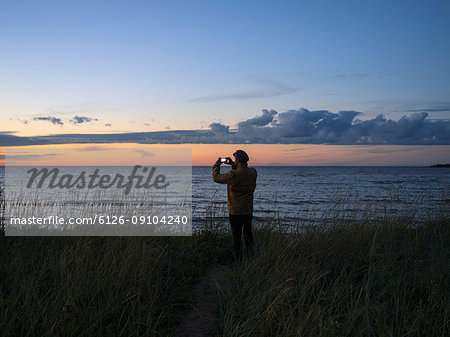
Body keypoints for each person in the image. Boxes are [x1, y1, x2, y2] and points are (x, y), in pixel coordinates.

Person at [213, 150, 257, 261]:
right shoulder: (253, 172)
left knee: (237, 237)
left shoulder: (232, 174)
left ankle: (238, 260)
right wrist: (233, 164)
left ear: (237, 160)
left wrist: (217, 165)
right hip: (248, 210)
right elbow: (241, 171)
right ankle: (251, 256)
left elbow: (216, 178)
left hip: (235, 211)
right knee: (248, 235)